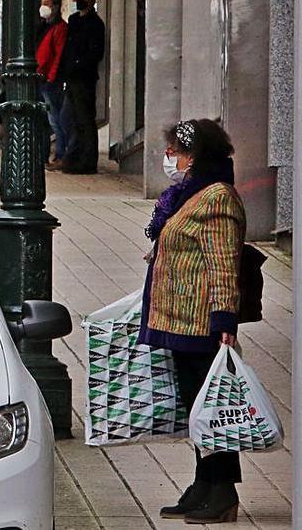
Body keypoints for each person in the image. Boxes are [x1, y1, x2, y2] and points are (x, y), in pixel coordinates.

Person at [140, 119, 246, 524]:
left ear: (196, 156)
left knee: (212, 408)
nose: (171, 159)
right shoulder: (188, 194)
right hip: (178, 320)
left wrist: (224, 319)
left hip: (202, 323)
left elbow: (223, 264)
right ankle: (204, 483)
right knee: (196, 407)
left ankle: (222, 491)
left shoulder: (216, 197)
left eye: (177, 152)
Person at [51, 0, 105, 174]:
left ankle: (86, 161)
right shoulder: (74, 20)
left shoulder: (95, 24)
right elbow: (68, 47)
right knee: (68, 118)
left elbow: (96, 52)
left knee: (84, 120)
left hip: (84, 78)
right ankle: (72, 156)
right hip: (71, 77)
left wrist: (78, 64)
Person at [36, 0, 68, 170]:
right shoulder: (44, 26)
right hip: (42, 77)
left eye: (47, 4)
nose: (44, 7)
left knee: (55, 119)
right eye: (42, 3)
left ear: (56, 6)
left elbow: (58, 55)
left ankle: (60, 154)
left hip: (49, 80)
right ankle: (45, 155)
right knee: (46, 120)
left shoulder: (59, 28)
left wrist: (51, 76)